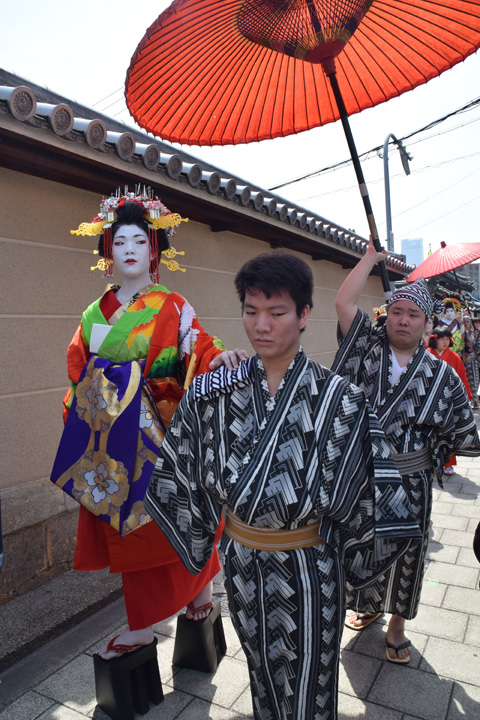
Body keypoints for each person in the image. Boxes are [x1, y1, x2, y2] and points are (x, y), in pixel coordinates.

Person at [145, 252, 421, 720]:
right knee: (260, 673)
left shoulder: (341, 400)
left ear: (304, 314)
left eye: (276, 313)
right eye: (250, 311)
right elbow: (180, 467)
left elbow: (374, 495)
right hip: (243, 567)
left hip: (310, 569)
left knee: (312, 681)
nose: (261, 325)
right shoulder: (216, 393)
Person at [51, 188, 247, 660]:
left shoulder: (172, 304)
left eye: (140, 241)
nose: (130, 250)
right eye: (120, 242)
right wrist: (93, 401)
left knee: (181, 518)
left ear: (154, 249)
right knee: (134, 532)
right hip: (115, 436)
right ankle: (143, 624)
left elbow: (197, 345)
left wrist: (217, 358)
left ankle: (198, 598)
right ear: (107, 249)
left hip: (162, 433)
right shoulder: (94, 314)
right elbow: (78, 369)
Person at [331, 240, 480, 664]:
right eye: (396, 311)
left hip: (412, 482)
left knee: (408, 553)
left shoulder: (441, 373)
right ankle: (367, 606)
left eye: (413, 314)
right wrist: (369, 259)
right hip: (362, 477)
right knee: (359, 543)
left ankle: (397, 625)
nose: (403, 319)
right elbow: (343, 302)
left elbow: (462, 430)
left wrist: (435, 452)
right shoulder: (366, 346)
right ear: (386, 315)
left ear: (428, 322)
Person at [427, 327, 472, 475]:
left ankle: (448, 462)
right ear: (435, 339)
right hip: (429, 400)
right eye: (442, 339)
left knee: (448, 432)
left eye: (447, 339)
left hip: (449, 399)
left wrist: (465, 396)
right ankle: (430, 463)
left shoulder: (455, 357)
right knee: (429, 432)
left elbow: (462, 378)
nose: (445, 342)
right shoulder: (426, 355)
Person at [461, 315, 480, 409]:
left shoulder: (476, 333)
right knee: (464, 381)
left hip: (473, 359)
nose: (466, 323)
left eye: (468, 321)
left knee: (474, 381)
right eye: (464, 321)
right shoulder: (461, 333)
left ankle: (475, 401)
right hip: (463, 360)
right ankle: (467, 401)